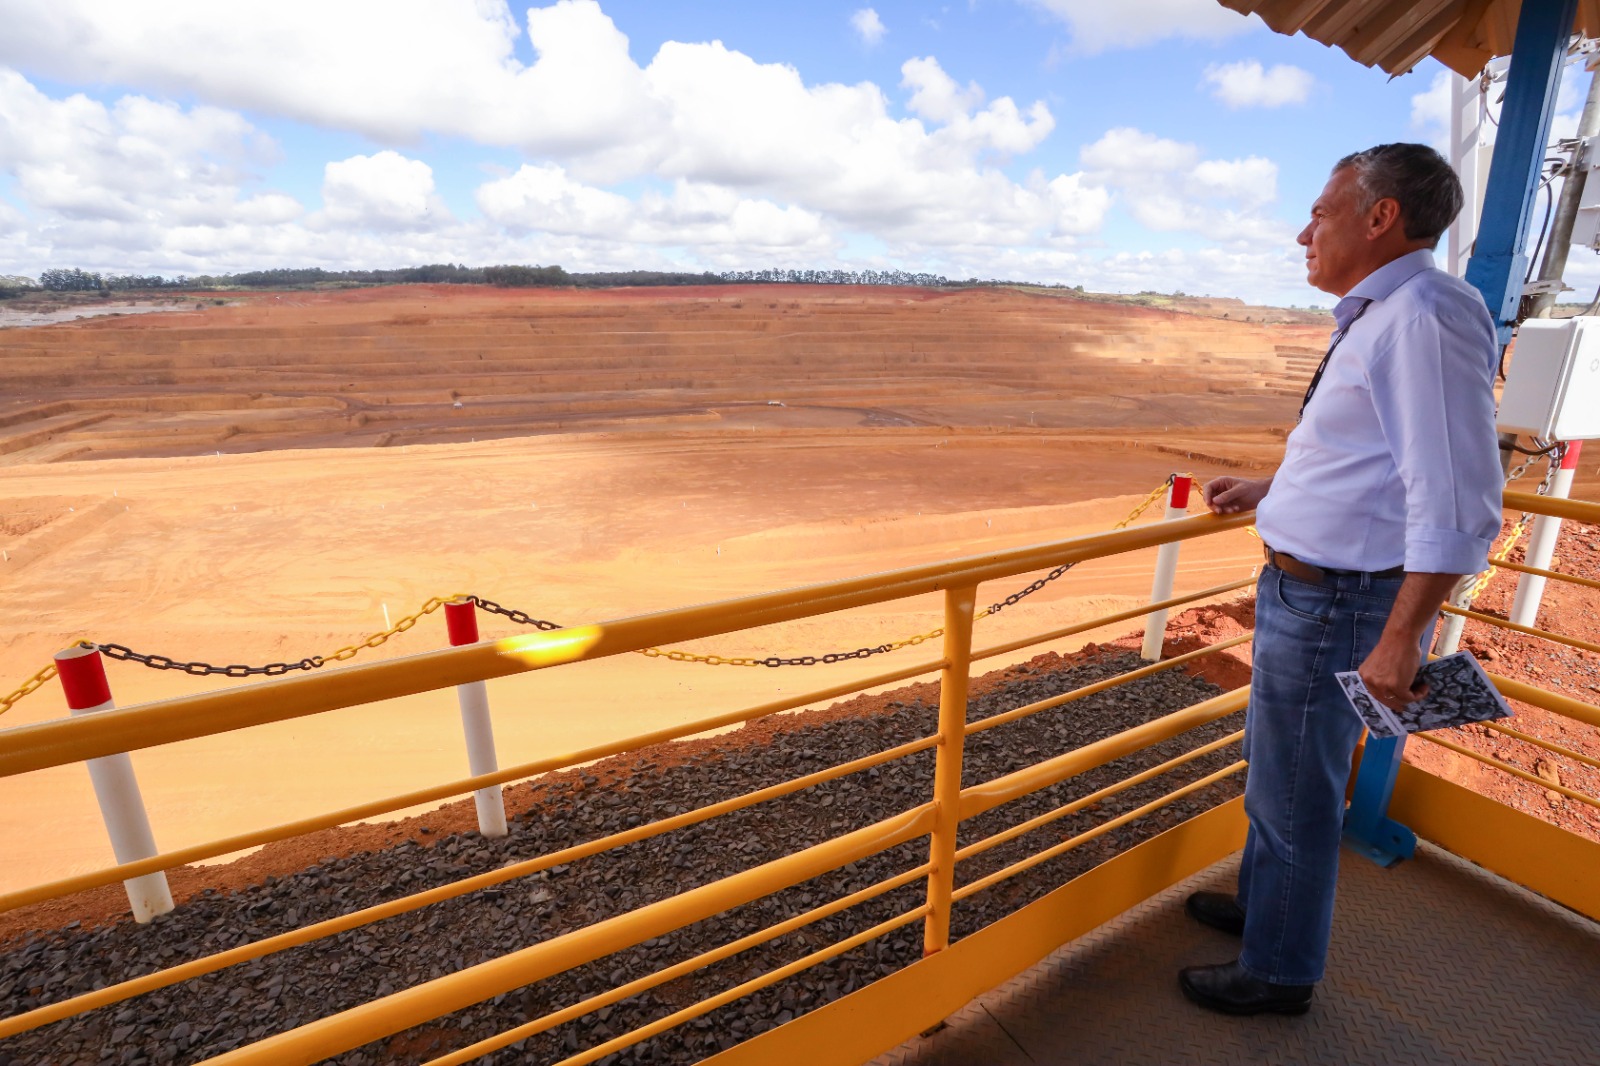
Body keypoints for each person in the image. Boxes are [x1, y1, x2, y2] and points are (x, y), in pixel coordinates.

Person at [1178, 143, 1504, 1016]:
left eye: (1320, 213)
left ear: (1380, 216)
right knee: (1276, 773)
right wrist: (1273, 491)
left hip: (1339, 600)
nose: (1303, 233)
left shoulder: (1425, 315)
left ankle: (1279, 970)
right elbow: (1373, 459)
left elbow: (1457, 494)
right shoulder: (1384, 314)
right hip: (1308, 589)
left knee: (1295, 788)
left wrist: (1401, 639)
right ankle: (1264, 910)